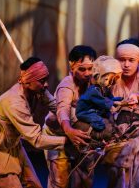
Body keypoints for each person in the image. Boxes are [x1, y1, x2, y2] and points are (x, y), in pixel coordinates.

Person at [0, 57, 66, 188]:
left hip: (11, 144)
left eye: (46, 79)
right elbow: (37, 139)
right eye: (42, 81)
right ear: (27, 82)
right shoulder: (15, 103)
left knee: (34, 184)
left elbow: (55, 106)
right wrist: (67, 142)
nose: (46, 85)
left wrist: (73, 123)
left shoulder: (38, 90)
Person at [103, 37, 139, 188]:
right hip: (118, 134)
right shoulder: (113, 77)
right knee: (118, 174)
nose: (126, 64)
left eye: (131, 60)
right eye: (122, 59)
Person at [42, 45, 97, 188]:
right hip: (58, 135)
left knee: (85, 180)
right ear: (72, 67)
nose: (87, 73)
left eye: (90, 68)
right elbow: (63, 110)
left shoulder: (93, 82)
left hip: (80, 136)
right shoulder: (66, 86)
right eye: (82, 69)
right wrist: (68, 130)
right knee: (60, 181)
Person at [76, 55, 123, 132]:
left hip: (96, 109)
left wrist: (120, 99)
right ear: (97, 76)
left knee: (110, 116)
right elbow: (103, 101)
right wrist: (114, 104)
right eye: (108, 79)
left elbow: (109, 98)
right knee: (100, 123)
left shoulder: (105, 88)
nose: (112, 82)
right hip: (85, 112)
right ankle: (93, 133)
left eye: (114, 78)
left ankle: (113, 128)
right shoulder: (94, 90)